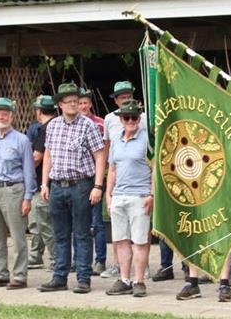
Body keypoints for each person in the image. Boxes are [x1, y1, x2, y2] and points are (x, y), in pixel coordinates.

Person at [37, 82, 105, 294]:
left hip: (81, 185)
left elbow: (100, 155)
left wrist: (98, 185)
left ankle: (83, 278)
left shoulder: (88, 125)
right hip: (57, 185)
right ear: (60, 104)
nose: (74, 104)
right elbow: (48, 155)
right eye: (69, 101)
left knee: (82, 233)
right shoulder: (53, 125)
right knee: (60, 234)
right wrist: (44, 183)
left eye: (76, 101)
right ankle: (60, 277)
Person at [0, 98, 37, 289]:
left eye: (4, 113)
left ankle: (19, 276)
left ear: (12, 116)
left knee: (18, 235)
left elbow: (29, 170)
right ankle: (0, 273)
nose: (1, 117)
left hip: (14, 190)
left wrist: (28, 197)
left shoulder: (21, 140)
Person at [104, 99, 153, 297]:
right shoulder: (115, 139)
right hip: (119, 196)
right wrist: (108, 195)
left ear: (139, 119)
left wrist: (152, 194)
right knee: (121, 240)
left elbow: (155, 169)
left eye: (134, 117)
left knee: (140, 241)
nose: (131, 121)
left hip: (139, 195)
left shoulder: (147, 140)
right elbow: (113, 169)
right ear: (121, 120)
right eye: (127, 117)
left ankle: (139, 280)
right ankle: (124, 279)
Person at [78, 87, 108, 275]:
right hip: (79, 178)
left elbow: (105, 151)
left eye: (85, 102)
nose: (82, 106)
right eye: (79, 103)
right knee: (78, 222)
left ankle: (100, 260)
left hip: (95, 177)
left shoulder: (101, 124)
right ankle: (80, 260)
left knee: (97, 222)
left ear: (90, 103)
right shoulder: (71, 124)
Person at [26, 95, 57, 269]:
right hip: (46, 183)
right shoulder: (54, 126)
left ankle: (56, 258)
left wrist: (21, 168)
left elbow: (36, 157)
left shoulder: (46, 129)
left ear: (39, 111)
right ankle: (36, 255)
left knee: (44, 222)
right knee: (38, 221)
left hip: (43, 184)